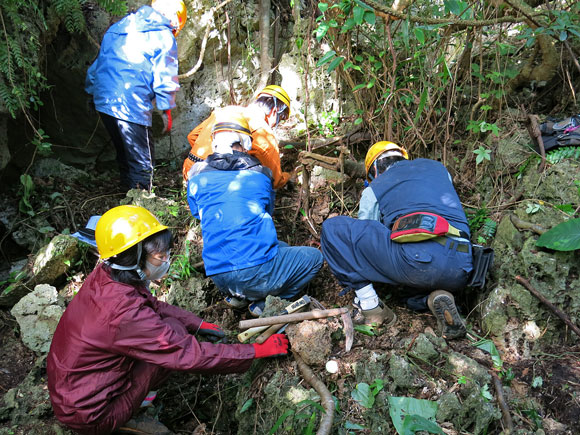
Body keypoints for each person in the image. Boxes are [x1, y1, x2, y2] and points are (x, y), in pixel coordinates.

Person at [47, 205, 289, 435]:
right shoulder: (122, 312)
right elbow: (186, 354)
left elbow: (150, 306)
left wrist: (197, 323)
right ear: (132, 258)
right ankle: (133, 409)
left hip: (72, 393)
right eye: (159, 255)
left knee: (173, 328)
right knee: (169, 347)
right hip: (94, 416)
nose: (166, 261)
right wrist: (254, 351)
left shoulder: (108, 275)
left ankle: (132, 395)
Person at [320, 141, 473, 339]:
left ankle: (371, 307)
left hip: (418, 261)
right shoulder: (439, 169)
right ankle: (432, 298)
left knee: (332, 228)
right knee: (406, 291)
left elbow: (363, 236)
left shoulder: (375, 187)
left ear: (375, 169)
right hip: (463, 266)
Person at [186, 117, 323, 317]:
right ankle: (265, 303)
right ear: (244, 143)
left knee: (281, 247)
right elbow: (267, 210)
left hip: (218, 274)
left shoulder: (195, 176)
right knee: (314, 258)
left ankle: (238, 297)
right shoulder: (260, 174)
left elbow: (198, 214)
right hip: (254, 274)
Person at [86, 0, 186, 192]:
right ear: (174, 19)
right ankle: (139, 205)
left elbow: (98, 65)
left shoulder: (120, 26)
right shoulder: (164, 36)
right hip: (131, 103)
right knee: (142, 161)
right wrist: (166, 111)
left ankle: (126, 194)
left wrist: (91, 92)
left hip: (103, 99)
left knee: (124, 152)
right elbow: (165, 77)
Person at [182, 85, 292, 189]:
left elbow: (192, 136)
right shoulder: (264, 133)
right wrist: (289, 176)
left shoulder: (226, 110)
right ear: (274, 112)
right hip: (218, 182)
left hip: (191, 171)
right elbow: (275, 181)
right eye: (281, 119)